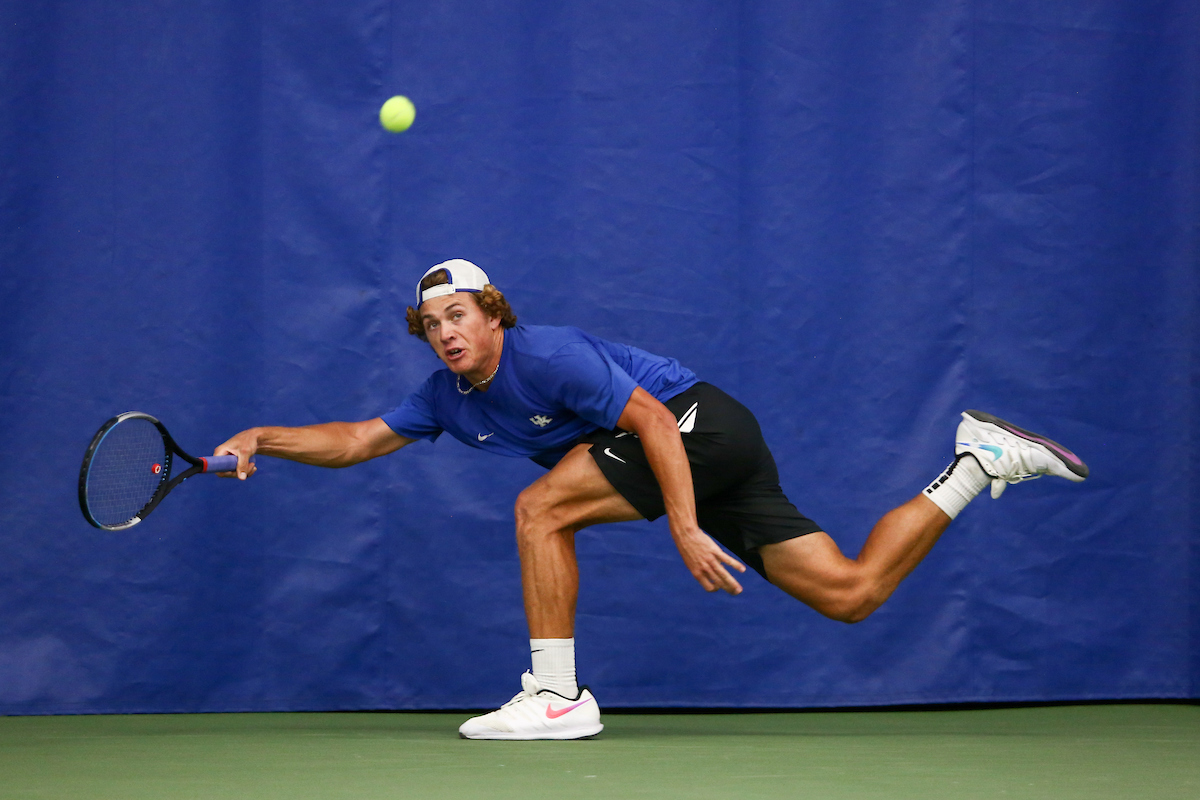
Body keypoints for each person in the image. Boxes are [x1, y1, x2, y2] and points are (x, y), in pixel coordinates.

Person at [214, 259, 1089, 740]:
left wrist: (681, 525)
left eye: (459, 315)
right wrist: (263, 439)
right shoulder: (446, 398)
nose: (445, 332)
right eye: (432, 324)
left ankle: (556, 696)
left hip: (697, 428)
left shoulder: (546, 353)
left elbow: (654, 425)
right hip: (702, 453)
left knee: (538, 509)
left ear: (493, 315)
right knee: (850, 593)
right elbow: (359, 440)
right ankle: (979, 461)